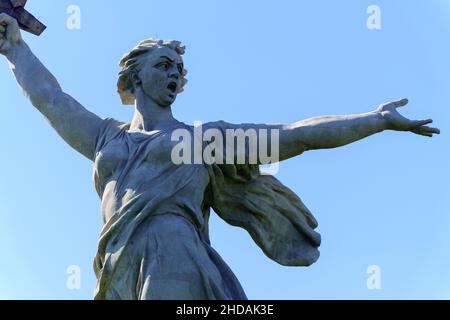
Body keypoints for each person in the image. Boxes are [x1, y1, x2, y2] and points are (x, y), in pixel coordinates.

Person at [0, 13, 440, 300]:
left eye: (177, 69)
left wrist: (377, 120)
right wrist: (15, 48)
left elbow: (292, 136)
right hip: (116, 260)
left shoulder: (202, 140)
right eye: (162, 65)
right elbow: (50, 98)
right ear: (132, 78)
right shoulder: (104, 138)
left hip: (172, 252)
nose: (173, 74)